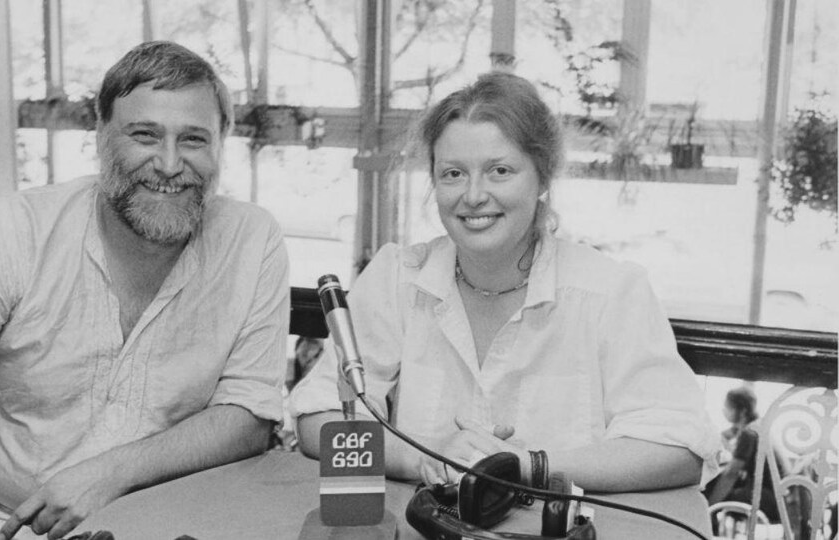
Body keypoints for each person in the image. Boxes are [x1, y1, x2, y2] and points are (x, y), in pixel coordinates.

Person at [0, 41, 289, 540]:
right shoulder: (15, 231)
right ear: (101, 137)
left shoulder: (253, 239)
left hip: (161, 523)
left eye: (193, 140)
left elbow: (249, 415)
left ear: (222, 144)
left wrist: (110, 472)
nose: (167, 163)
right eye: (144, 135)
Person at [291, 72, 720, 492]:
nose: (474, 195)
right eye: (453, 174)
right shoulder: (396, 279)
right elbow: (317, 418)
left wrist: (526, 467)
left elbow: (680, 447)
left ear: (543, 177)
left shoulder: (610, 292)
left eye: (499, 171)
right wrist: (422, 459)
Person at [705, 386, 781, 524]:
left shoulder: (749, 433)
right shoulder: (758, 426)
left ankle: (707, 525)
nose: (724, 411)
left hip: (770, 498)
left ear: (742, 411)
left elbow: (731, 473)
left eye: (728, 407)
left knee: (712, 492)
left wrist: (710, 506)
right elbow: (728, 433)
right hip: (779, 496)